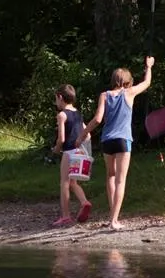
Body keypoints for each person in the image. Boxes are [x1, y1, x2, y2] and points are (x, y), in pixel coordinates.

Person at [75, 56, 154, 230]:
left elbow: (97, 119)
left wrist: (82, 135)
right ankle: (114, 220)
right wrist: (148, 66)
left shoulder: (104, 95)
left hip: (107, 141)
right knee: (120, 180)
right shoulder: (129, 92)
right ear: (128, 81)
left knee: (110, 176)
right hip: (123, 140)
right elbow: (147, 82)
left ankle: (112, 215)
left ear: (113, 80)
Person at [51, 84, 92, 226]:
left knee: (64, 182)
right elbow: (87, 134)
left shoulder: (61, 115)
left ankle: (65, 216)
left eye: (56, 99)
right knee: (74, 182)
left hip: (68, 153)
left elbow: (61, 139)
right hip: (80, 152)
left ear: (60, 97)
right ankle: (84, 202)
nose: (56, 102)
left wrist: (56, 149)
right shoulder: (78, 113)